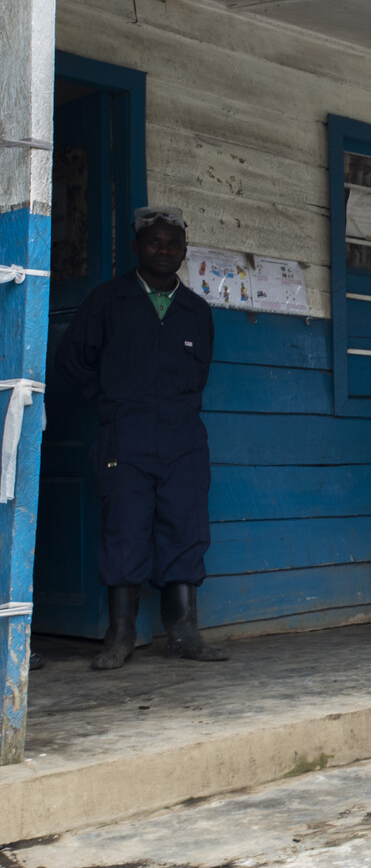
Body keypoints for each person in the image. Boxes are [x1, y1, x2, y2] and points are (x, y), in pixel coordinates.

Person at [57, 206, 229, 669]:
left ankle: (184, 632)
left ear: (184, 251)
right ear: (137, 247)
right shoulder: (107, 301)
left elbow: (200, 372)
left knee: (185, 525)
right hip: (125, 436)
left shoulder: (197, 311)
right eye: (154, 242)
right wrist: (111, 402)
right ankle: (121, 635)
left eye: (173, 243)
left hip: (183, 436)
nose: (164, 250)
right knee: (125, 527)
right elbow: (74, 360)